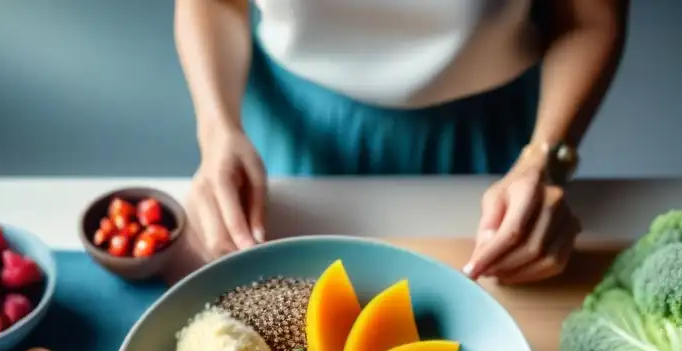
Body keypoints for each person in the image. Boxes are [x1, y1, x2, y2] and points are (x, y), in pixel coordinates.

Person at [176, 0, 627, 283]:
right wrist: (218, 131)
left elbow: (588, 16)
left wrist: (544, 160)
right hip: (295, 121)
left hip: (485, 127)